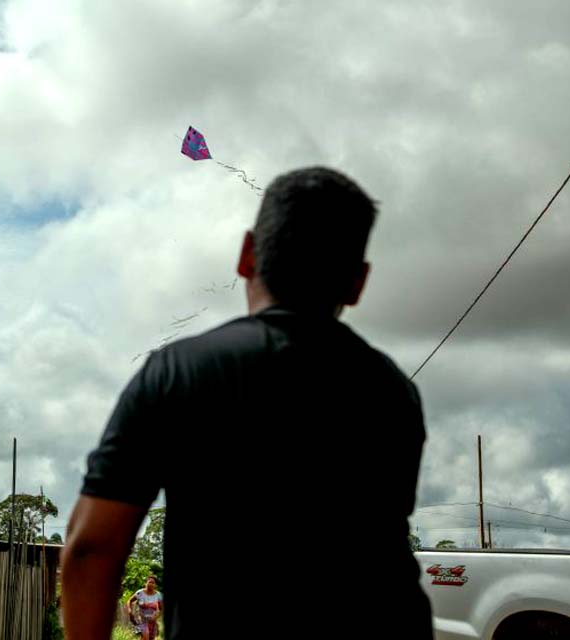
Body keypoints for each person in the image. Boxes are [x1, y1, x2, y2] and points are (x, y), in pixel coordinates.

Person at [61, 166, 431, 639]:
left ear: (246, 255)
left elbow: (92, 547)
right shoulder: (394, 390)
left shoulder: (177, 372)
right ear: (357, 283)